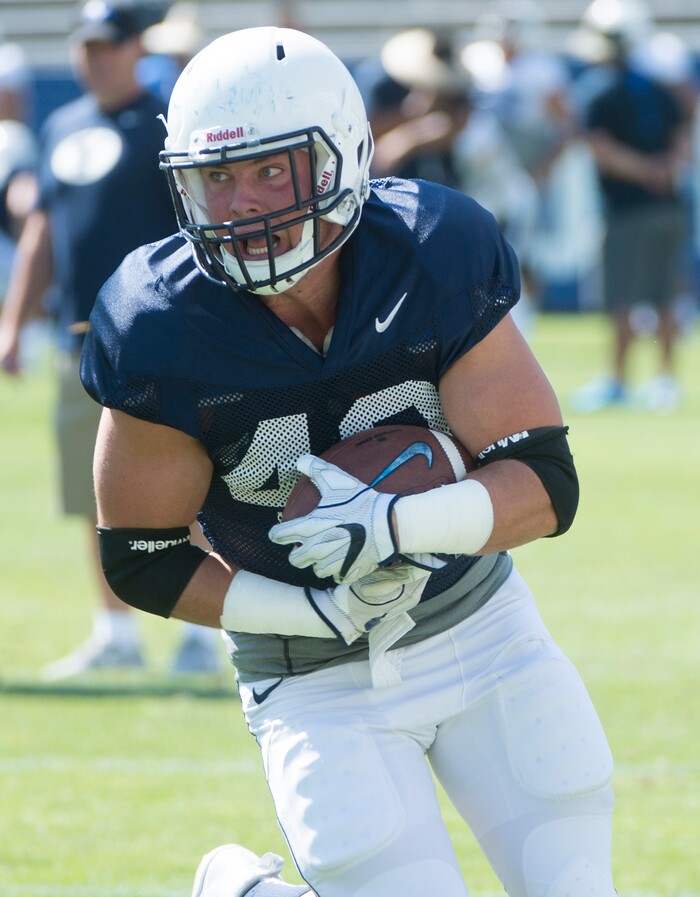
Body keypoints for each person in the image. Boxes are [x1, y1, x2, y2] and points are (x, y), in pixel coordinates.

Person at [80, 27, 616, 897]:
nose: (241, 207)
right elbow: (140, 556)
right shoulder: (157, 322)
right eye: (214, 177)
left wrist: (402, 521)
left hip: (481, 628)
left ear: (343, 154)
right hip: (310, 675)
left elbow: (545, 483)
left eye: (269, 169)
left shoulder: (431, 248)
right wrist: (316, 613)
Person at [0, 0, 220, 679]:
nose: (93, 57)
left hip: (162, 341)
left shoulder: (166, 123)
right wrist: (14, 322)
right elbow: (42, 231)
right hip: (79, 341)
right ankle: (115, 629)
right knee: (91, 491)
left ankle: (202, 637)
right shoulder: (63, 125)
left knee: (186, 487)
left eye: (107, 44)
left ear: (134, 48)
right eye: (85, 45)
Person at [568, 0, 691, 414]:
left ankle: (620, 380)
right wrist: (663, 170)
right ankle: (665, 380)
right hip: (670, 204)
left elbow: (601, 150)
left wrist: (643, 172)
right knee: (665, 294)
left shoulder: (595, 88)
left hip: (627, 209)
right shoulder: (656, 85)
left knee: (622, 296)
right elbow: (682, 137)